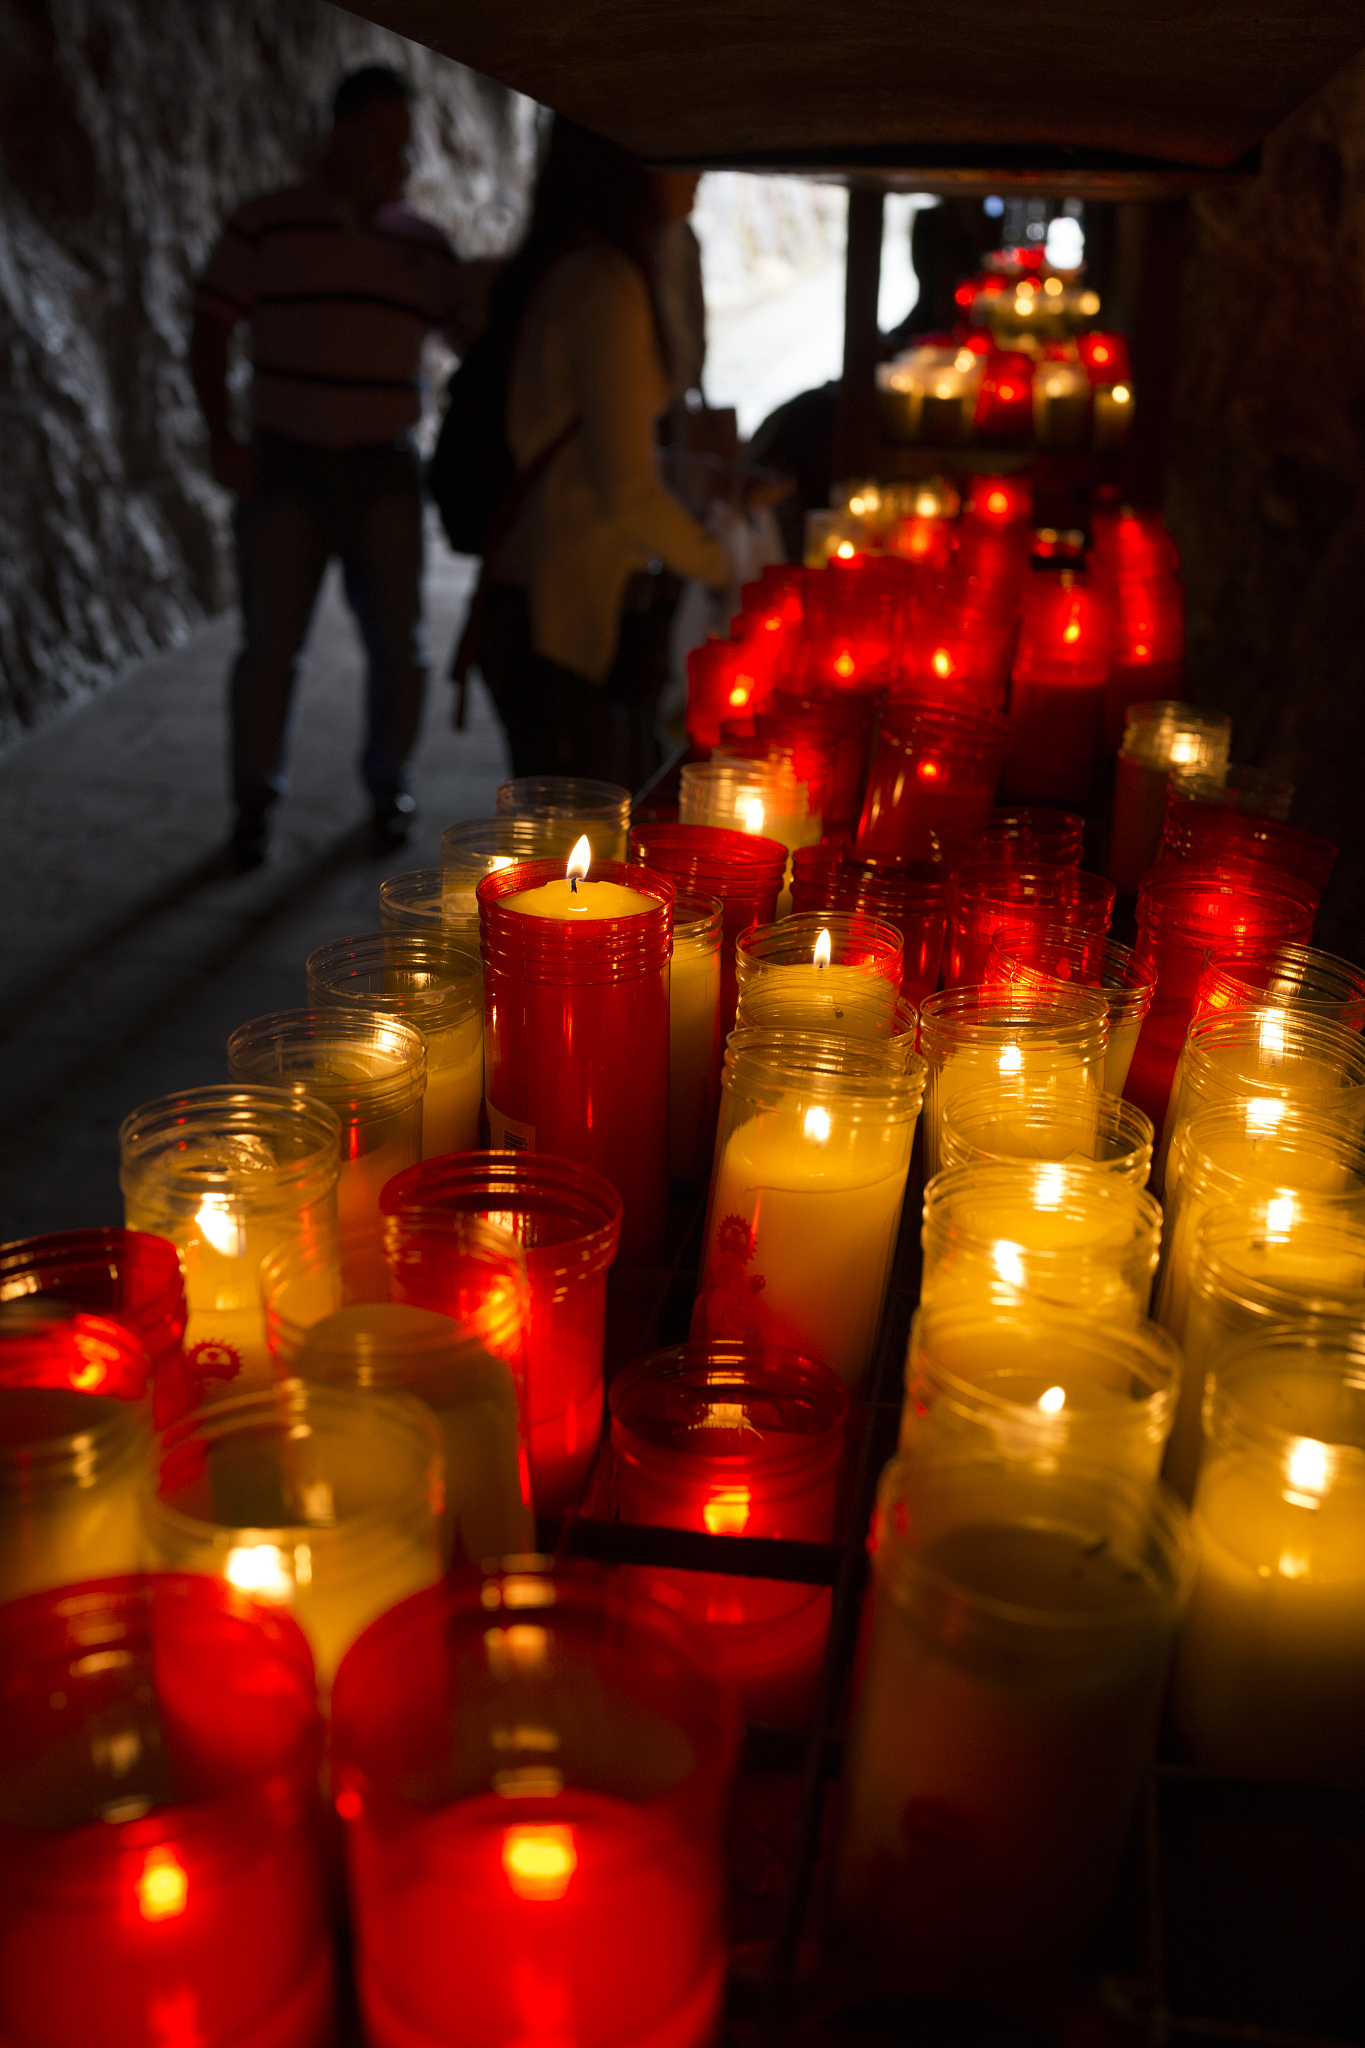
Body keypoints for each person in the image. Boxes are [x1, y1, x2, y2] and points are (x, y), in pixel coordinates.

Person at [191, 64, 495, 866]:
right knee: (269, 647)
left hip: (383, 473)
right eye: (387, 139)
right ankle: (253, 805)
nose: (401, 158)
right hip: (285, 465)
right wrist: (221, 435)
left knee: (400, 646)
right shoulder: (265, 225)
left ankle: (387, 784)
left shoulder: (423, 249)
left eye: (406, 143)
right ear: (341, 131)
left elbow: (468, 342)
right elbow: (210, 327)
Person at [474, 119, 731, 784]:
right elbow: (622, 485)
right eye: (684, 157)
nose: (699, 174)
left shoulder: (597, 267)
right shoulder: (604, 284)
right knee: (575, 844)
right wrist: (721, 563)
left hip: (558, 599)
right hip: (555, 611)